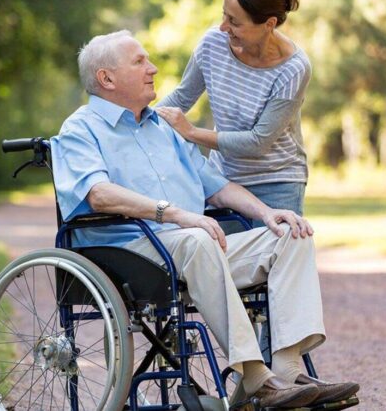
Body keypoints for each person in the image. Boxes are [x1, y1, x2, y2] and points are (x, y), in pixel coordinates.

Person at [51, 30, 358, 408]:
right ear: (107, 79)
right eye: (140, 61)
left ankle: (289, 369)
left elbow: (216, 186)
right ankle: (257, 379)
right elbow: (98, 194)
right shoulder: (79, 129)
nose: (153, 68)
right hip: (130, 250)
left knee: (291, 234)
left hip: (194, 247)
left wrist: (267, 213)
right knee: (197, 240)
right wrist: (175, 214)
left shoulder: (165, 127)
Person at [155, 0, 310, 227]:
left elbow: (258, 143)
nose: (223, 26)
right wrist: (137, 120)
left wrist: (191, 132)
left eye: (235, 22)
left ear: (269, 24)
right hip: (224, 181)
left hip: (276, 184)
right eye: (224, 15)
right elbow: (181, 98)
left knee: (272, 263)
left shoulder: (293, 68)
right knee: (223, 261)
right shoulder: (212, 44)